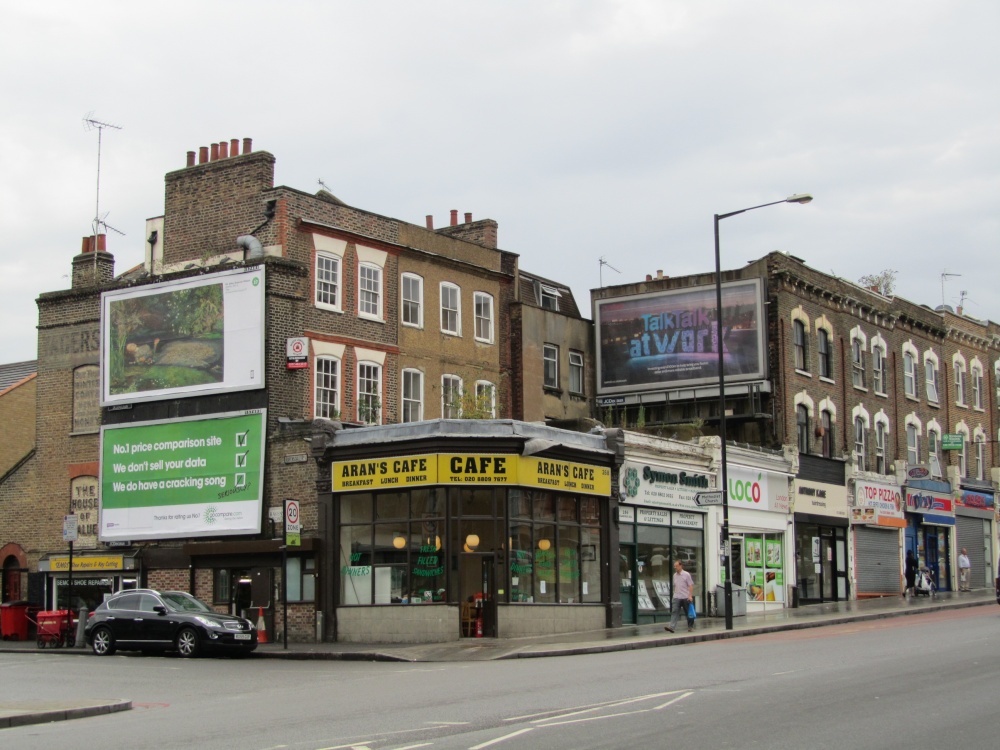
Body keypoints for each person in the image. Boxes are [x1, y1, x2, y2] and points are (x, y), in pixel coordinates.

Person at [665, 560, 695, 633]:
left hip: (685, 597)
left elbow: (690, 585)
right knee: (674, 611)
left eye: (676, 566)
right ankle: (672, 627)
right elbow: (675, 586)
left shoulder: (686, 574)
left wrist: (690, 596)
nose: (675, 567)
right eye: (674, 566)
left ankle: (690, 626)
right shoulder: (674, 575)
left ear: (681, 566)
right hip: (677, 597)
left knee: (688, 612)